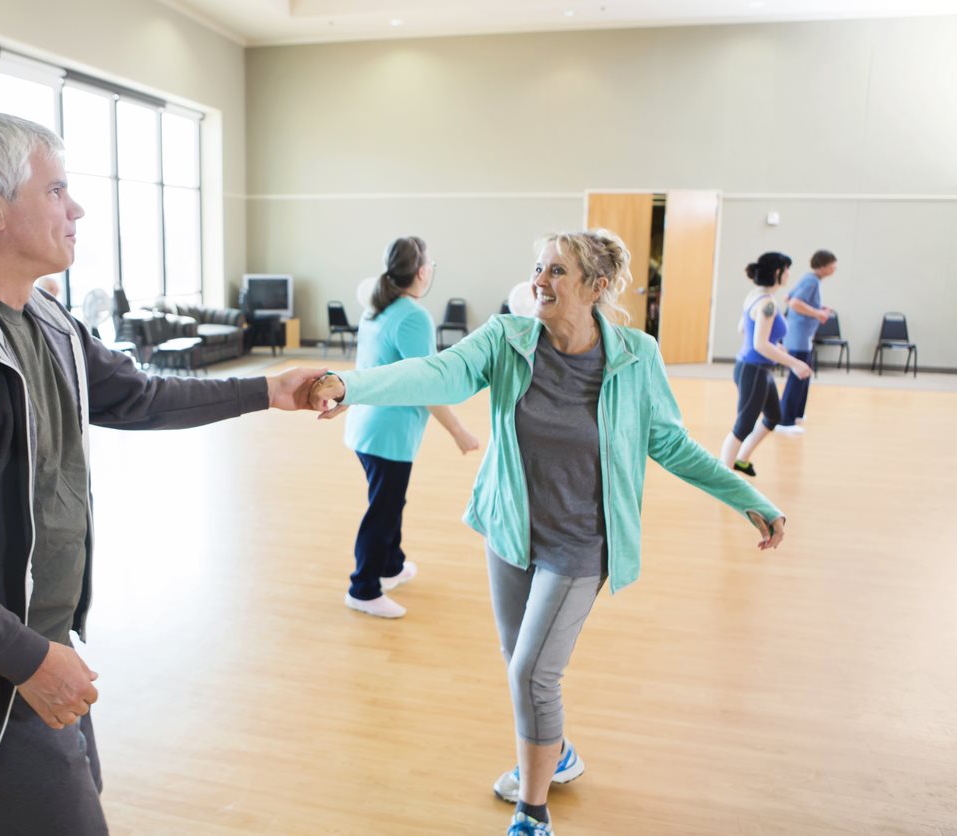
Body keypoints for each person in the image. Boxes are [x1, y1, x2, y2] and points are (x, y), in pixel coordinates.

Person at [0, 111, 325, 836]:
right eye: (57, 190)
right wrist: (23, 654)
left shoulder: (43, 320)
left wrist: (265, 389)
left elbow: (137, 392)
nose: (77, 209)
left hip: (31, 659)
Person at [308, 230, 788, 836]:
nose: (540, 281)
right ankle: (555, 753)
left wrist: (745, 494)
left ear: (596, 287)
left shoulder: (636, 355)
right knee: (520, 661)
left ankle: (532, 812)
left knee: (532, 673)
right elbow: (438, 373)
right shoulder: (508, 339)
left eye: (557, 271)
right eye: (538, 267)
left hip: (581, 543)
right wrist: (352, 387)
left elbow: (669, 442)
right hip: (510, 527)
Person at [342, 236, 479, 619]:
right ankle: (363, 588)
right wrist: (459, 431)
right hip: (388, 432)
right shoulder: (413, 315)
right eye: (431, 263)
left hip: (366, 427)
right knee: (383, 509)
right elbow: (429, 383)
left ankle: (391, 565)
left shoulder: (378, 308)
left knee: (389, 500)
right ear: (421, 272)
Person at [718, 252, 812, 476]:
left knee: (773, 416)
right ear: (778, 272)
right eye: (787, 270)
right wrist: (794, 363)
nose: (789, 274)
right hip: (753, 370)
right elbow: (759, 345)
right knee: (743, 426)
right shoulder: (767, 303)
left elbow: (743, 328)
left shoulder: (756, 295)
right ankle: (722, 475)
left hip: (756, 368)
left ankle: (741, 459)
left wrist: (774, 346)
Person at [777, 249, 837, 432]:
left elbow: (788, 297)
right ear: (824, 265)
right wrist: (818, 313)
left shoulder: (810, 279)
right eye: (833, 264)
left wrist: (819, 308)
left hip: (802, 336)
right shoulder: (811, 281)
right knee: (798, 375)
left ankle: (796, 414)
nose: (834, 268)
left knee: (804, 376)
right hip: (799, 336)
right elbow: (794, 303)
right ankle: (784, 420)